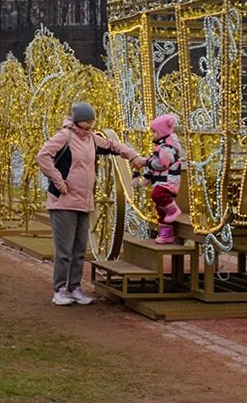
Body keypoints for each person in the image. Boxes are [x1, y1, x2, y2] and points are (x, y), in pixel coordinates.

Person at [36, 101, 143, 306]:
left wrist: (133, 155)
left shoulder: (92, 140)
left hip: (84, 202)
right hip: (64, 202)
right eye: (87, 121)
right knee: (64, 251)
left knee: (79, 249)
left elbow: (113, 146)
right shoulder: (64, 136)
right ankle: (59, 289)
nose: (91, 125)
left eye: (92, 121)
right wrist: (58, 181)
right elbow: (43, 156)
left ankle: (75, 287)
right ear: (77, 121)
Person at [139, 113, 186, 244]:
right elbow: (154, 162)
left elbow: (161, 164)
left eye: (154, 132)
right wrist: (148, 176)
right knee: (160, 208)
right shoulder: (160, 145)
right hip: (160, 180)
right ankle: (167, 234)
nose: (152, 135)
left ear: (161, 132)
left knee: (157, 195)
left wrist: (147, 162)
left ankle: (173, 210)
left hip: (168, 180)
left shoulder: (167, 147)